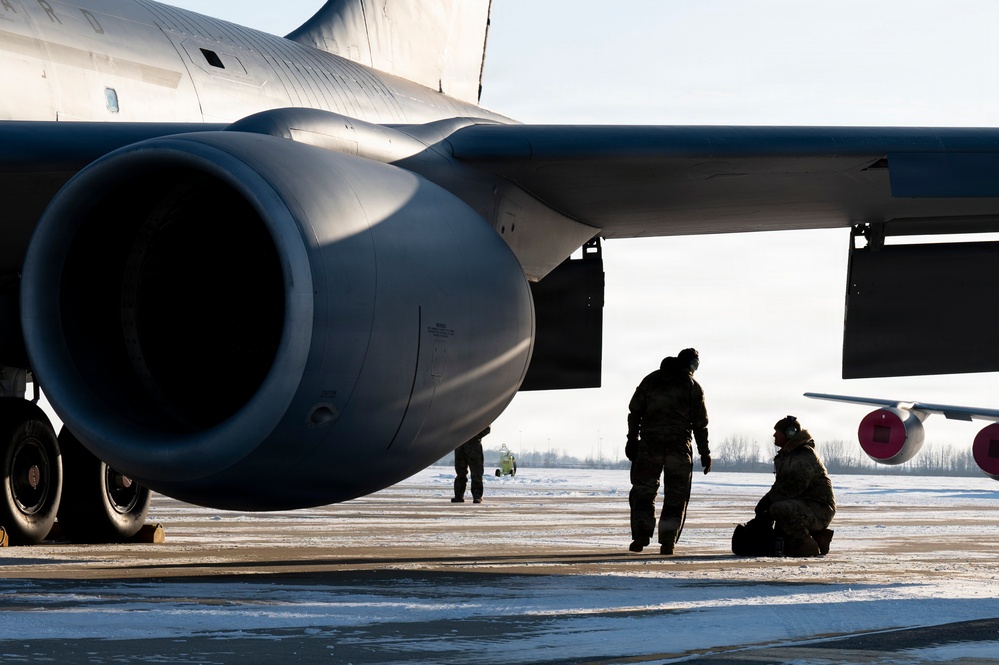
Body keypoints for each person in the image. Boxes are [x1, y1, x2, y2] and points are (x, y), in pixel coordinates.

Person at [626, 348, 711, 555]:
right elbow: (700, 424)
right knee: (676, 495)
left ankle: (641, 536)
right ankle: (668, 541)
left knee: (643, 492)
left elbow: (634, 412)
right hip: (678, 447)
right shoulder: (692, 387)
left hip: (649, 446)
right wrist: (704, 452)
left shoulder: (651, 380)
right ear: (691, 364)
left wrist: (632, 439)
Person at [751, 416, 836, 557]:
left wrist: (770, 500)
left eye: (777, 432)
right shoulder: (786, 456)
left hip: (819, 509)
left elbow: (795, 487)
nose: (774, 435)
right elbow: (780, 486)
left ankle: (806, 544)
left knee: (780, 509)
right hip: (804, 505)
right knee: (774, 516)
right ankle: (818, 537)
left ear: (789, 433)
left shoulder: (805, 455)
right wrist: (764, 505)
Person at [452, 426, 490, 503]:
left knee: (476, 473)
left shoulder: (478, 415)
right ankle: (458, 496)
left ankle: (477, 496)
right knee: (460, 473)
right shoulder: (458, 416)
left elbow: (487, 428)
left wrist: (475, 436)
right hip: (460, 446)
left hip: (473, 447)